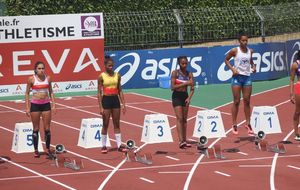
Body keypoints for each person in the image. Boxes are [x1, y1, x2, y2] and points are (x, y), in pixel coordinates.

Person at [224, 32, 256, 135]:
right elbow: (226, 60)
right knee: (236, 101)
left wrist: (254, 66)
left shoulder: (250, 51)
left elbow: (251, 61)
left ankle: (248, 123)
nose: (245, 42)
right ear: (239, 41)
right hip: (237, 78)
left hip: (247, 78)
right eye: (243, 40)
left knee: (247, 101)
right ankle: (234, 124)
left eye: (246, 40)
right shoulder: (235, 50)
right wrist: (233, 69)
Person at [25, 61, 56, 158]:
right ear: (35, 69)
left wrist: (54, 104)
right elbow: (26, 93)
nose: (41, 70)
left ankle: (47, 149)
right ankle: (36, 150)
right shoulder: (31, 79)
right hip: (35, 106)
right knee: (36, 129)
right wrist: (27, 107)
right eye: (39, 68)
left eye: (43, 68)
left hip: (46, 105)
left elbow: (51, 91)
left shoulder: (48, 78)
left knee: (47, 129)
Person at [97, 55, 128, 153]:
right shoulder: (101, 76)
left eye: (112, 66)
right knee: (105, 124)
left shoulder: (117, 75)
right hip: (106, 100)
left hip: (115, 100)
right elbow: (98, 93)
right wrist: (101, 107)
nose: (111, 67)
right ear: (105, 66)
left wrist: (123, 104)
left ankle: (119, 145)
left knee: (116, 123)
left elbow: (120, 90)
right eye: (109, 66)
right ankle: (103, 146)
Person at [171, 56, 194, 149]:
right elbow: (172, 87)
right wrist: (185, 83)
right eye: (182, 63)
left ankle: (184, 139)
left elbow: (192, 88)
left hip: (185, 96)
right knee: (179, 118)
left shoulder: (190, 74)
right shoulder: (175, 73)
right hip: (176, 96)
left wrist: (189, 98)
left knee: (184, 119)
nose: (184, 65)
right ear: (179, 64)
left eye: (186, 63)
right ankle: (181, 141)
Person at [289, 50, 300, 141]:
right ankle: (296, 133)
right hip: (299, 88)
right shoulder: (295, 65)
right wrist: (291, 93)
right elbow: (292, 80)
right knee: (297, 111)